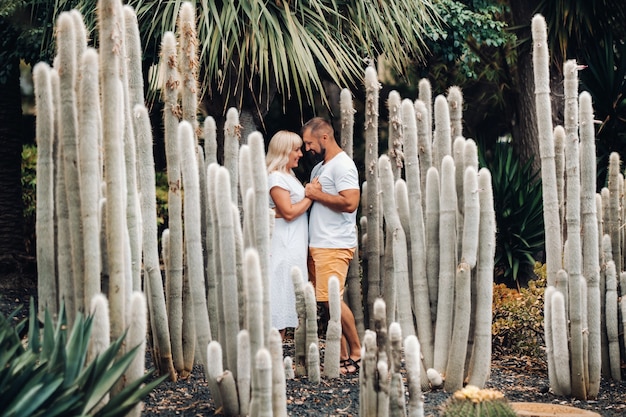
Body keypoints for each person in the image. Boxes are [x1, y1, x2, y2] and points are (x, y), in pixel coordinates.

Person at [302, 117, 362, 375]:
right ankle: (343, 355)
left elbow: (350, 203)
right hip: (318, 243)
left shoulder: (343, 166)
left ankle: (359, 352)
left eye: (309, 143)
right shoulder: (319, 169)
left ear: (324, 137)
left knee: (332, 300)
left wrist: (316, 195)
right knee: (327, 302)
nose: (307, 149)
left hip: (334, 244)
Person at [266, 130, 312, 339]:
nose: (300, 154)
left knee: (287, 293)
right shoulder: (276, 177)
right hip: (283, 245)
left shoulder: (288, 176)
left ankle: (278, 349)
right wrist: (311, 195)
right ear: (284, 152)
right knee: (279, 292)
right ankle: (274, 348)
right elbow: (289, 212)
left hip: (293, 245)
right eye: (296, 149)